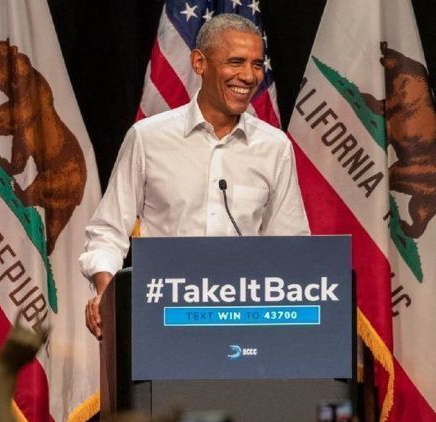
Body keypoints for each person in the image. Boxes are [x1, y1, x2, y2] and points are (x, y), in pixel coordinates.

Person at [80, 13, 310, 338]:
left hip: (247, 326)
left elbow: (291, 247)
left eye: (257, 64)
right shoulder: (148, 138)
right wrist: (107, 290)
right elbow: (106, 231)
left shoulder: (274, 147)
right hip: (163, 321)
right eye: (236, 62)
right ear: (199, 63)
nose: (249, 76)